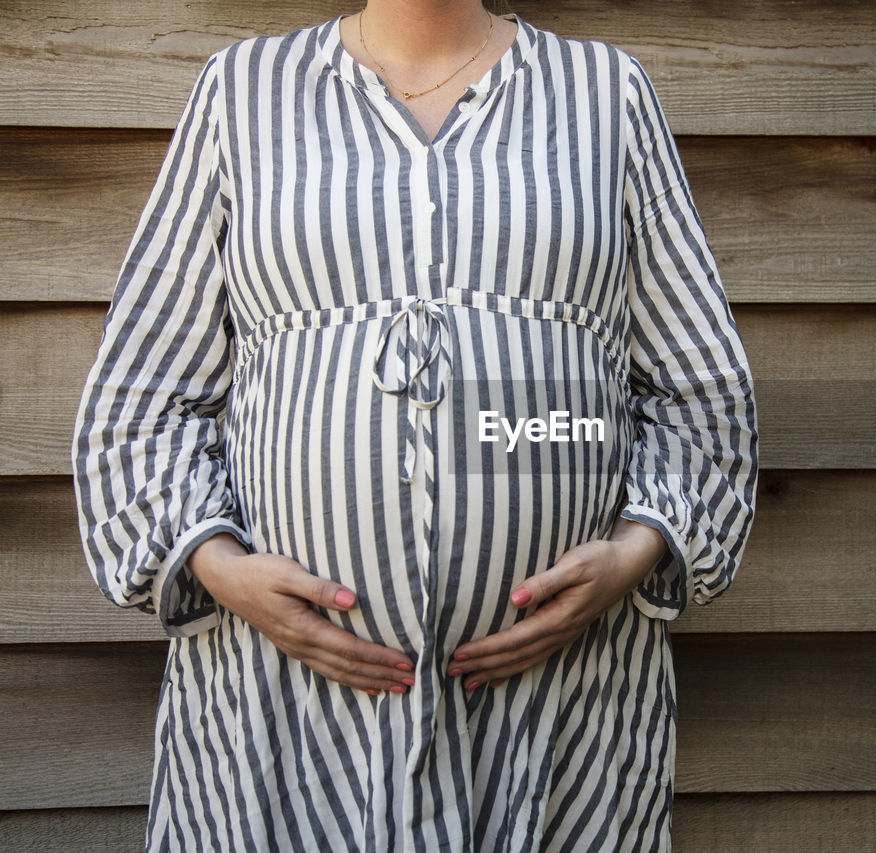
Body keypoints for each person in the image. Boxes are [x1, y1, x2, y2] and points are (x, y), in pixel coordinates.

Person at [71, 0, 758, 849]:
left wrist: (635, 551)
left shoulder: (604, 93)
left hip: (558, 704)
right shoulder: (242, 92)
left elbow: (700, 387)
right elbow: (143, 390)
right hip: (279, 704)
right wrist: (219, 566)